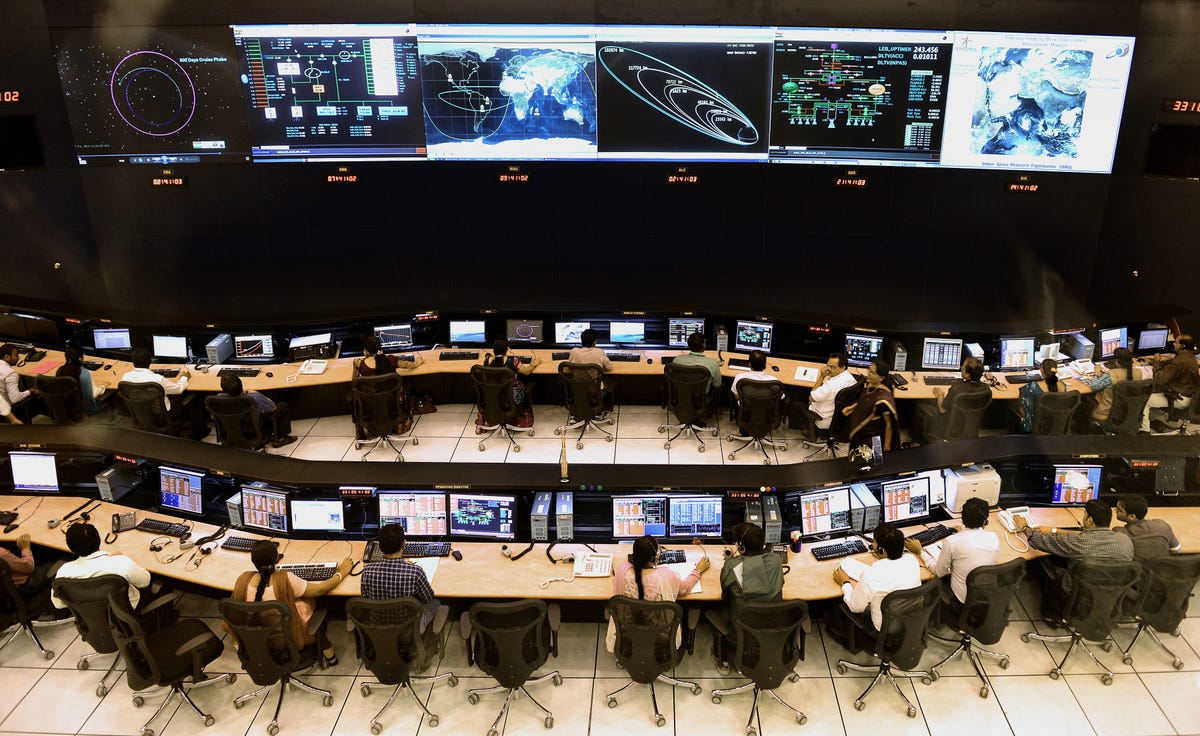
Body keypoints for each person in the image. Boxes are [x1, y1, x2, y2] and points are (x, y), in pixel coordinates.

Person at [232, 540, 352, 665]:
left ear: (253, 562)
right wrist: (342, 572)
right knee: (309, 601)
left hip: (254, 643)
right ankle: (328, 652)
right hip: (288, 642)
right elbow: (320, 589)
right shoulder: (284, 580)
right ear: (276, 558)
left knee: (296, 601)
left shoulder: (243, 580)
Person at [1013, 498, 1134, 620]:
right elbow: (1091, 536)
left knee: (1044, 562)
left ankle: (1051, 614)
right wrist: (1056, 531)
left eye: (1085, 514)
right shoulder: (1125, 541)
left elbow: (1038, 541)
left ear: (1090, 519)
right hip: (1111, 593)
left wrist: (1024, 527)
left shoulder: (1077, 543)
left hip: (1078, 594)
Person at [605, 535, 710, 652]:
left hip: (628, 635)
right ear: (653, 558)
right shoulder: (666, 575)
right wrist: (698, 570)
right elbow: (685, 588)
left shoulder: (622, 571)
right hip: (660, 638)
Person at [830, 523, 922, 641]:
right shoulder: (911, 560)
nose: (872, 546)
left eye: (873, 542)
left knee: (841, 604)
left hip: (883, 629)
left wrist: (845, 583)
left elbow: (855, 607)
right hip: (911, 621)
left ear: (881, 550)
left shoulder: (871, 575)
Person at [907, 497, 999, 612]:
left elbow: (939, 572)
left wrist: (920, 551)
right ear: (985, 521)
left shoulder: (952, 542)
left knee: (938, 581)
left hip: (962, 603)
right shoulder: (993, 538)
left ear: (962, 517)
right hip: (988, 598)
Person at [715, 522, 783, 663]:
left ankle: (721, 653)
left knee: (720, 611)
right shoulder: (776, 561)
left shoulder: (731, 566)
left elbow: (725, 596)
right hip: (772, 625)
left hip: (740, 628)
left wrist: (730, 562)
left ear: (741, 547)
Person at [51, 522, 153, 610]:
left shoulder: (64, 572)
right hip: (126, 616)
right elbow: (145, 581)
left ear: (71, 548)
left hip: (91, 621)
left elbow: (58, 604)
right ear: (99, 540)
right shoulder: (120, 562)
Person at [360, 524, 439, 630]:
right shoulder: (415, 572)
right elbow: (428, 598)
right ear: (404, 544)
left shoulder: (367, 571)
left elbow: (365, 598)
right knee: (436, 603)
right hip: (408, 627)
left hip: (378, 627)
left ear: (379, 546)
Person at [120, 347, 206, 438]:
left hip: (140, 412)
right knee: (196, 397)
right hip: (161, 415)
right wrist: (184, 377)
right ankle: (199, 434)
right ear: (150, 361)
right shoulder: (157, 379)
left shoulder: (126, 377)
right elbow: (179, 389)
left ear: (133, 361)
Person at [909, 357, 990, 444]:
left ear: (967, 374)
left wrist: (939, 395)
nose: (961, 369)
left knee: (919, 407)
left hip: (950, 427)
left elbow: (942, 409)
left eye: (963, 368)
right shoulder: (986, 388)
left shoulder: (957, 389)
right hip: (971, 428)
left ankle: (915, 443)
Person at [216, 373, 296, 447]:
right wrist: (254, 392)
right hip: (252, 432)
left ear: (223, 389)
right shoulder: (254, 397)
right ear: (241, 385)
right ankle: (280, 439)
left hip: (230, 431)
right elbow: (273, 408)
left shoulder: (218, 398)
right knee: (283, 406)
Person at [1140, 333, 1198, 433]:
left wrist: (1155, 362)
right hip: (1190, 396)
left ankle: (1144, 431)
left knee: (1144, 399)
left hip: (1180, 399)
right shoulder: (1191, 357)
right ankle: (1157, 421)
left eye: (1176, 343)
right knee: (1154, 390)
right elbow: (1174, 367)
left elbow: (1159, 379)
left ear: (1182, 346)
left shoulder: (1178, 361)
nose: (1174, 344)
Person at [479, 338, 541, 428]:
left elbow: (489, 358)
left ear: (494, 350)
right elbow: (527, 372)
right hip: (512, 401)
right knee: (526, 386)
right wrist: (535, 363)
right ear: (507, 349)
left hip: (492, 400)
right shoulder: (513, 361)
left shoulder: (487, 360)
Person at [842, 358, 898, 450]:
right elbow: (865, 401)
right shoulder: (870, 384)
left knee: (875, 460)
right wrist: (852, 407)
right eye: (869, 370)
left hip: (874, 436)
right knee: (856, 458)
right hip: (861, 430)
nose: (868, 373)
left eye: (872, 372)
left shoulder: (883, 399)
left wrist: (887, 447)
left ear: (881, 378)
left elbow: (889, 425)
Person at [0, 533, 65, 604]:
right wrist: (25, 548)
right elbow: (29, 567)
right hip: (24, 587)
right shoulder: (2, 554)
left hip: (5, 594)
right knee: (66, 557)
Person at [1114, 493, 1181, 560]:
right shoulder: (1161, 525)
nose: (1115, 510)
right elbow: (1176, 548)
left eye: (1119, 510)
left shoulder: (1120, 532)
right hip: (1163, 568)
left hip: (1138, 570)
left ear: (1132, 516)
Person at [807, 353, 859, 430]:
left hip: (821, 419)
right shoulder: (850, 378)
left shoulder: (831, 385)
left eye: (832, 367)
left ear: (842, 367)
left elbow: (811, 398)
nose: (828, 369)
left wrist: (822, 376)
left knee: (796, 404)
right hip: (835, 417)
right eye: (827, 365)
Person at [567, 328, 616, 408]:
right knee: (611, 379)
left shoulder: (574, 352)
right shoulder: (599, 352)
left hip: (578, 390)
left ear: (581, 341)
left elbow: (570, 368)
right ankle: (605, 405)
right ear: (594, 342)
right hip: (595, 391)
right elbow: (609, 367)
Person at [670, 332, 722, 406]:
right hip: (701, 396)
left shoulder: (677, 360)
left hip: (681, 393)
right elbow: (717, 385)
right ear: (704, 345)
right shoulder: (713, 363)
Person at [55, 347, 110, 415]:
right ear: (80, 359)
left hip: (64, 407)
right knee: (111, 399)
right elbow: (93, 395)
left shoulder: (61, 370)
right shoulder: (84, 373)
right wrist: (103, 386)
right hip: (80, 410)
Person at [1088, 347, 1135, 424]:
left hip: (1105, 413)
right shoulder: (1139, 372)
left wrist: (1096, 373)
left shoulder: (1112, 375)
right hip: (1127, 411)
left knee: (1084, 399)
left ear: (1116, 361)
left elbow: (1094, 387)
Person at [0, 343, 43, 424]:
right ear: (7, 357)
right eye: (16, 355)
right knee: (37, 396)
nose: (18, 358)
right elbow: (15, 399)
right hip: (6, 408)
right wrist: (30, 391)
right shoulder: (10, 373)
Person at [1017, 358, 1062, 433]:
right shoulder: (1063, 386)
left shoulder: (1033, 386)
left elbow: (1024, 406)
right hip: (1055, 424)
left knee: (1011, 404)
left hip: (1036, 425)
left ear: (1042, 370)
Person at [354, 335, 425, 377]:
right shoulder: (391, 360)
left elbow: (355, 381)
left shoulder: (359, 363)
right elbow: (408, 365)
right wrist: (417, 362)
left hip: (370, 399)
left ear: (366, 351)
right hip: (390, 399)